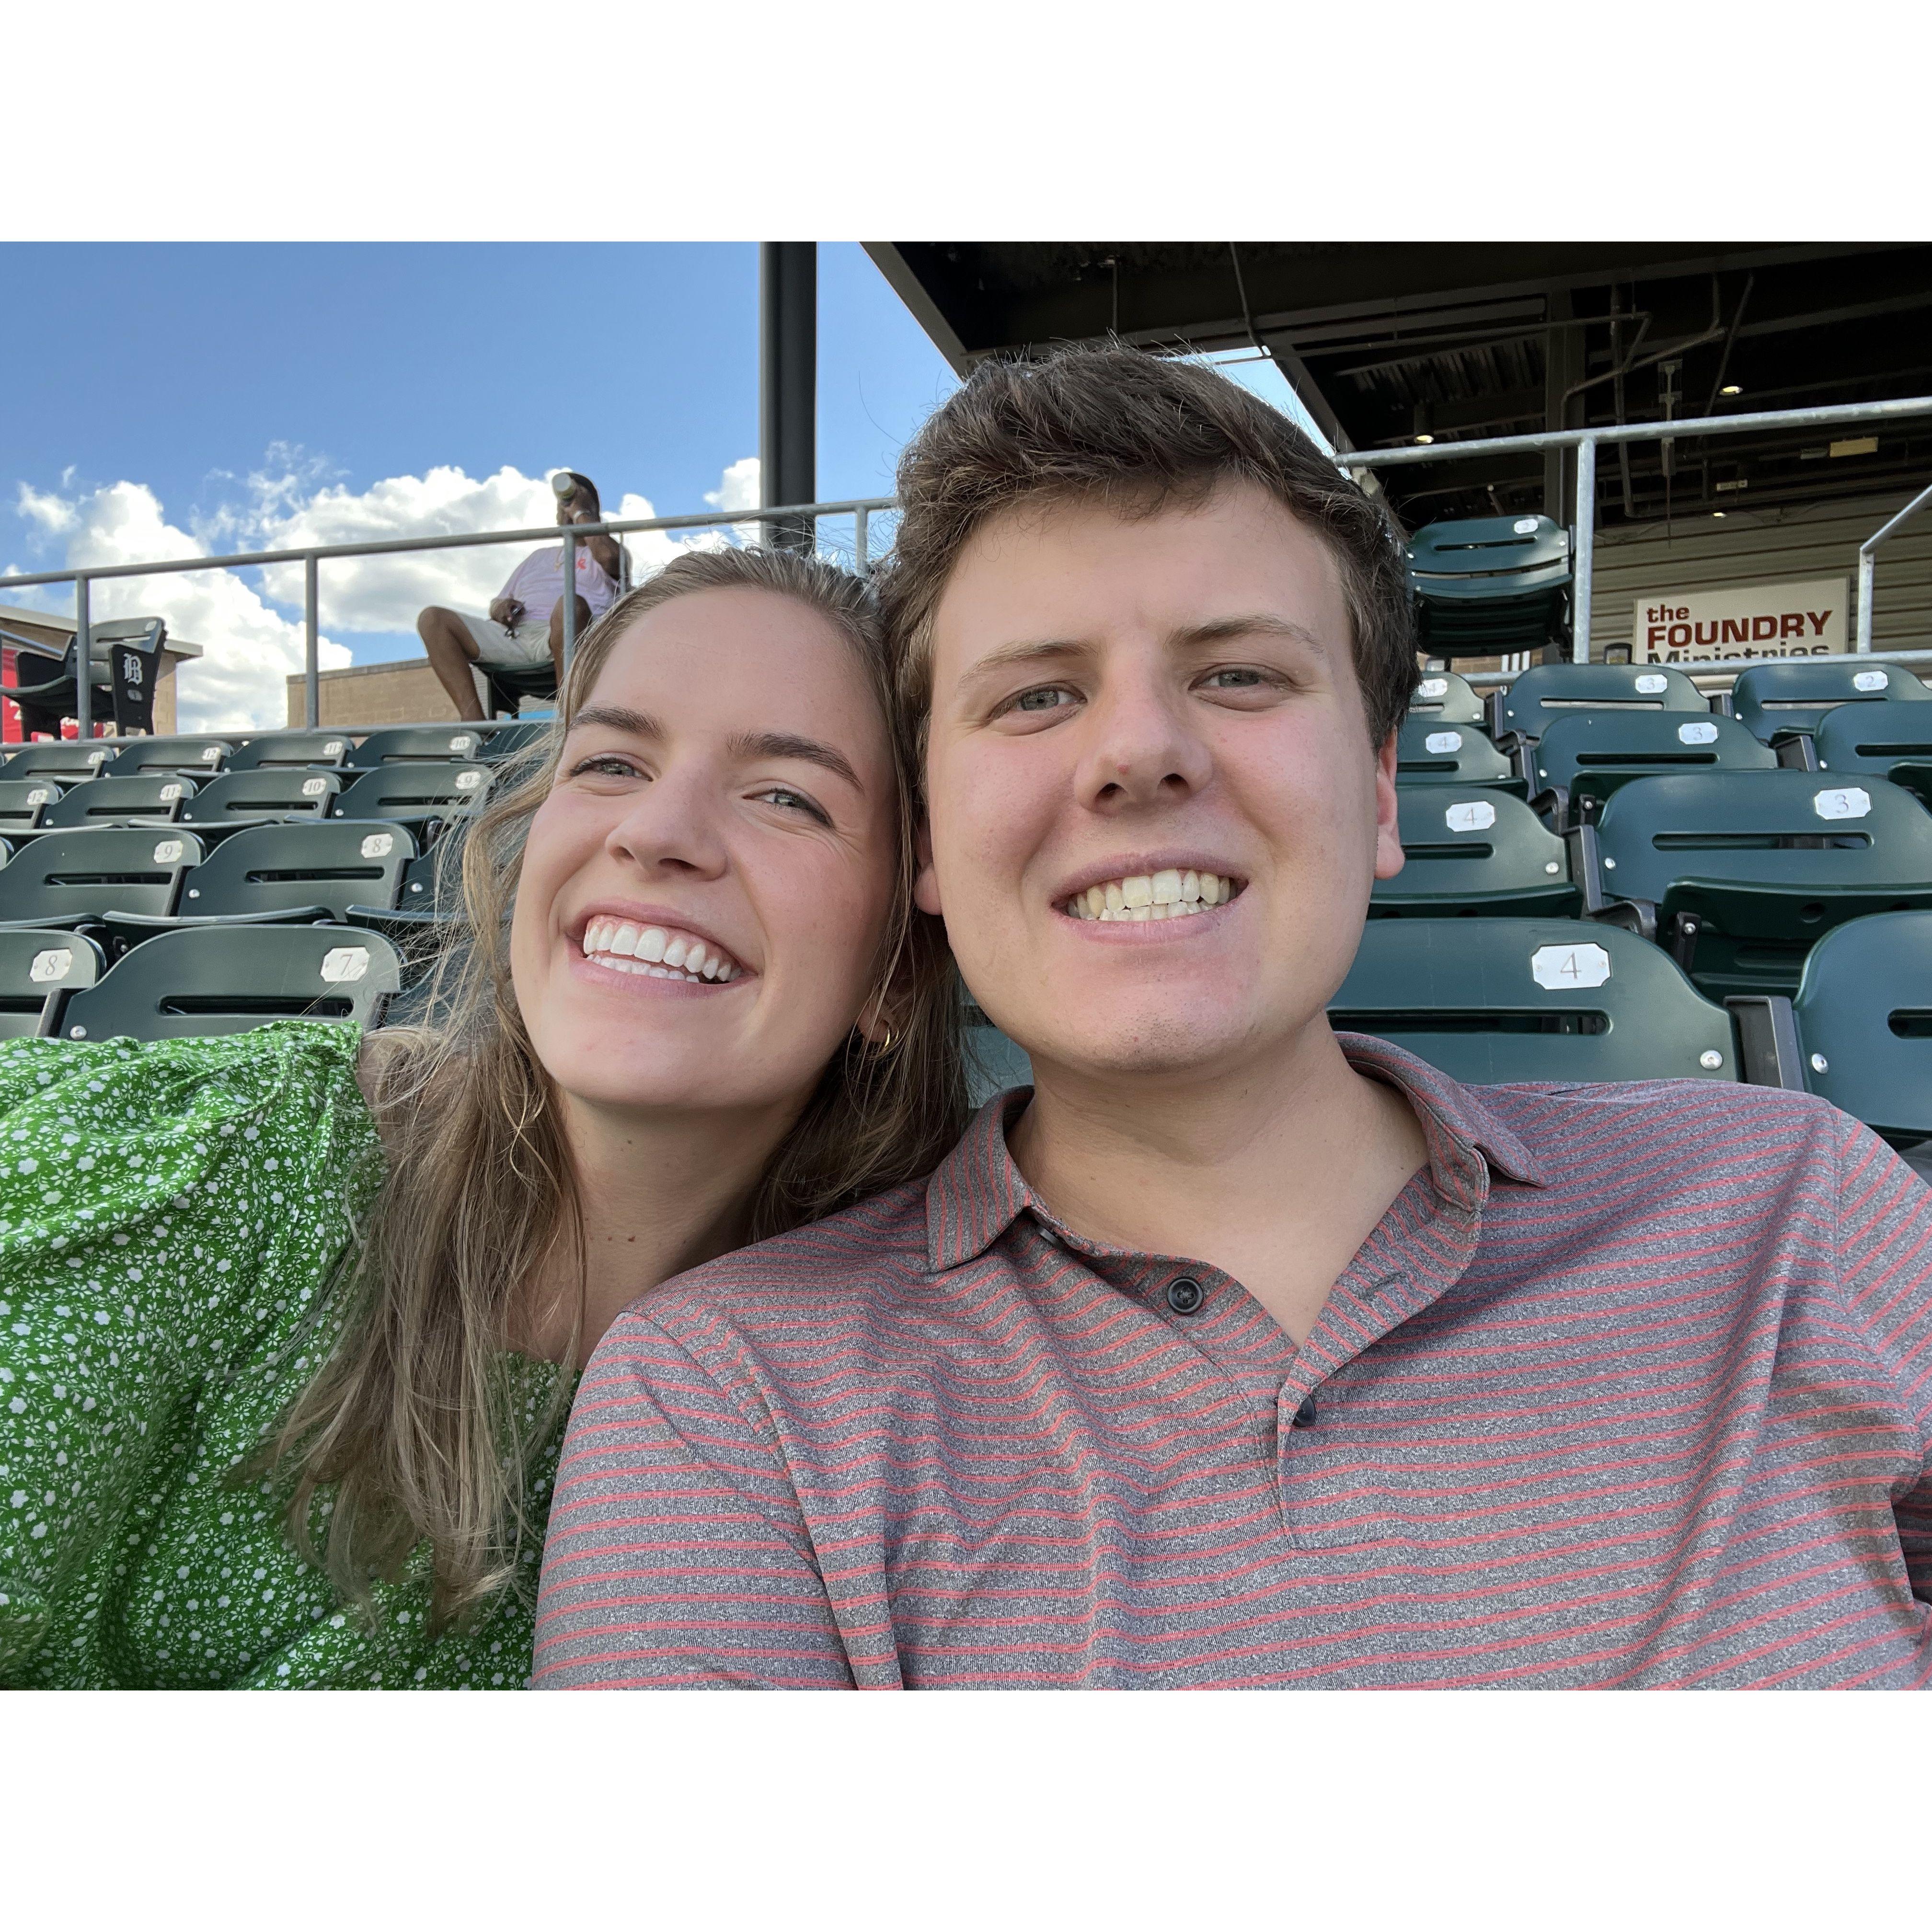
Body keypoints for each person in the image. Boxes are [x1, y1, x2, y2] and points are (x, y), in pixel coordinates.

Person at [532, 345, 1932, 1690]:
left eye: (1239, 675)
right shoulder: (730, 1403)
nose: (1139, 752)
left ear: (1380, 788)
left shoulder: (1795, 1207)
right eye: (1036, 695)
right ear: (935, 852)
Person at [0, 546, 965, 1689]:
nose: (656, 833)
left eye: (786, 796)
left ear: (894, 978)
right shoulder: (225, 1168)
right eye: (610, 761)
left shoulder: (913, 1406)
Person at [417, 471, 624, 721]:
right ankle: (475, 725)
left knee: (569, 605)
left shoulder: (608, 552)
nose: (567, 509)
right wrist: (501, 608)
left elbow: (611, 559)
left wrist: (583, 514)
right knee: (433, 619)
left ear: (593, 510)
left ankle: (567, 720)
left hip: (572, 635)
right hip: (517, 636)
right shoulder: (538, 556)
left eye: (575, 502)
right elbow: (495, 605)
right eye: (564, 504)